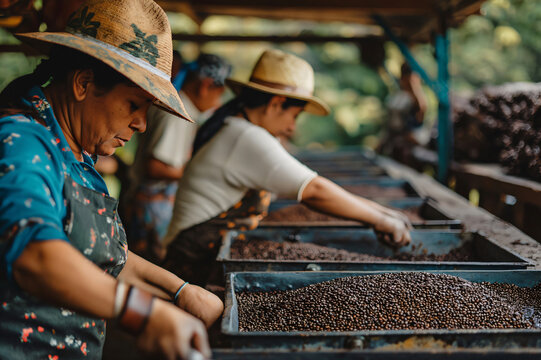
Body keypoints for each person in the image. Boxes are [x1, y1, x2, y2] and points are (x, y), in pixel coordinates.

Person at [0, 1, 223, 359]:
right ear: (83, 83)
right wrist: (144, 314)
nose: (142, 124)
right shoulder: (22, 143)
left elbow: (105, 255)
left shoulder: (80, 155)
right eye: (134, 104)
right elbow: (35, 255)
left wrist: (182, 292)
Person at [162, 49, 412, 286]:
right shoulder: (245, 137)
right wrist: (380, 220)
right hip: (190, 264)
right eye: (295, 115)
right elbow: (315, 190)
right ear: (275, 104)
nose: (293, 127)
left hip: (202, 253)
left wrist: (385, 213)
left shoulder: (237, 127)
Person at [124, 53, 231, 263]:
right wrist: (199, 174)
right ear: (205, 86)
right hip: (151, 209)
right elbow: (155, 167)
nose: (218, 102)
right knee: (150, 266)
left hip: (150, 204)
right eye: (219, 93)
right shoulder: (178, 113)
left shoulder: (178, 106)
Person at [379, 63, 427, 163]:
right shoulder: (398, 97)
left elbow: (421, 113)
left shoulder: (416, 97)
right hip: (394, 138)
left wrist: (414, 85)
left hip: (411, 139)